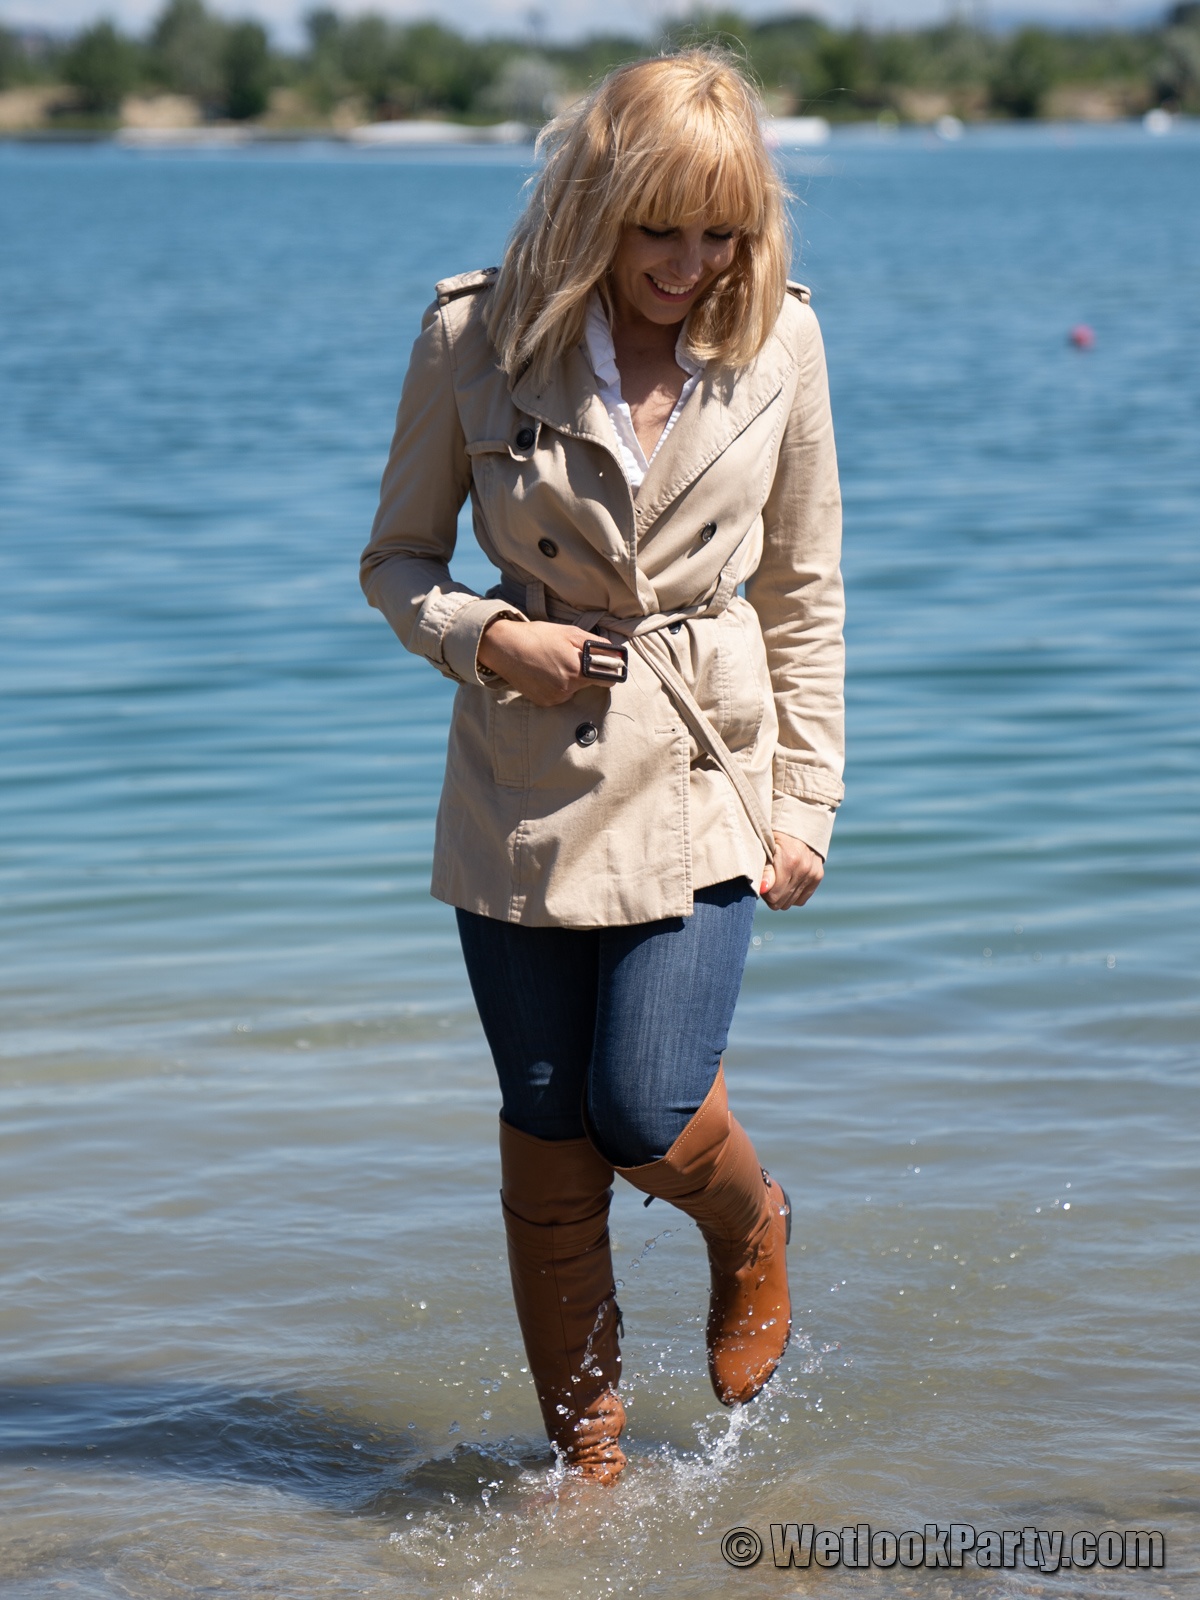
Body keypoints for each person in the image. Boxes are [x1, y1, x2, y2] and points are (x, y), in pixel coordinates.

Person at [360, 49, 844, 1487]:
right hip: (523, 782)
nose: (691, 267)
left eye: (721, 233)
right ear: (593, 207)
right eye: (659, 231)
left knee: (643, 1108)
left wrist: (806, 803)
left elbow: (804, 591)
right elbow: (396, 563)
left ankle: (750, 1224)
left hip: (706, 767)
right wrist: (487, 635)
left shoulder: (783, 341)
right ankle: (589, 1463)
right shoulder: (472, 335)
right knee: (546, 1126)